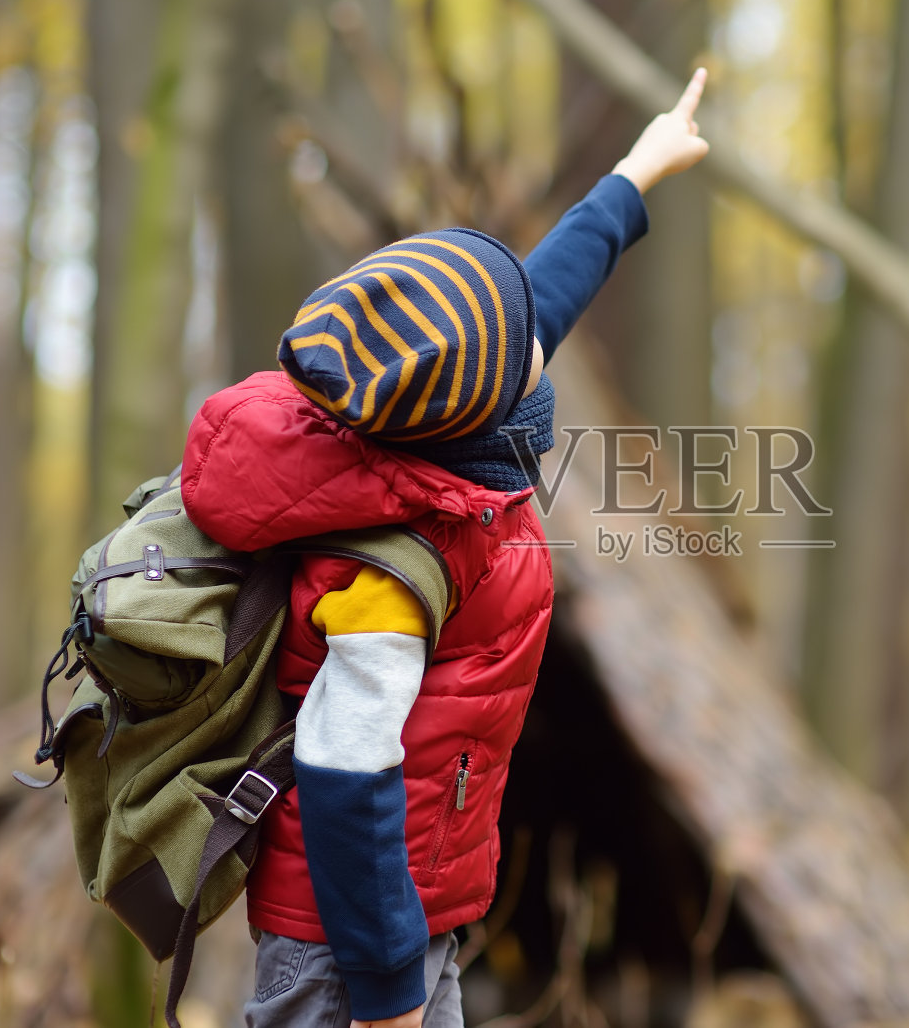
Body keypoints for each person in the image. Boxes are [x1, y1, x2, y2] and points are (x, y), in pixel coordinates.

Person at [177, 70, 711, 1028]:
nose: (541, 336)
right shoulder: (392, 568)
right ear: (487, 399)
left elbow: (542, 296)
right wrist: (385, 994)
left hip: (417, 918)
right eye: (523, 344)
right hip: (344, 951)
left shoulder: (443, 432)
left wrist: (636, 173)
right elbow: (346, 771)